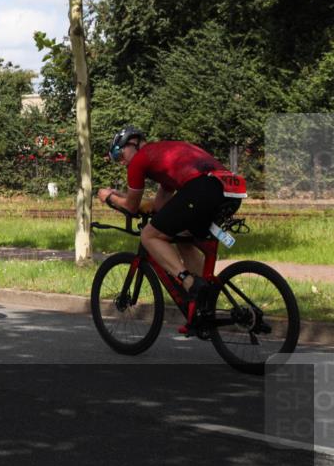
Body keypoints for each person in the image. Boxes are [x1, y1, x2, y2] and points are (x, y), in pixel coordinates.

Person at [97, 126, 246, 327]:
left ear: (133, 143)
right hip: (230, 189)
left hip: (202, 188)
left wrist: (110, 198)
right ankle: (205, 300)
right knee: (182, 236)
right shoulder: (163, 156)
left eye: (119, 153)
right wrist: (129, 199)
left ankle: (189, 282)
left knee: (149, 236)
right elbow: (159, 206)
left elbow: (132, 207)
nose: (120, 161)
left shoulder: (139, 160)